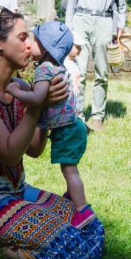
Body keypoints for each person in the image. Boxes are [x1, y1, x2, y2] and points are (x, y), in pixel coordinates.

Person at [0, 7, 104, 259]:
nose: (31, 45)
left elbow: (34, 149)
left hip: (18, 191)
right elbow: (10, 155)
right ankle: (2, 246)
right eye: (22, 38)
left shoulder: (23, 88)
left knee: (89, 225)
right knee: (70, 243)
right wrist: (37, 105)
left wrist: (48, 109)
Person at [6, 21, 96, 229]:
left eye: (34, 40)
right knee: (70, 170)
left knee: (70, 171)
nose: (29, 44)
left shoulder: (44, 69)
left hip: (67, 130)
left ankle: (82, 210)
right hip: (74, 127)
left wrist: (15, 92)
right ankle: (73, 196)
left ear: (46, 47)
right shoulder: (56, 66)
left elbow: (37, 99)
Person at [65, 0, 126, 131]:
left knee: (102, 72)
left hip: (104, 21)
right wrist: (68, 26)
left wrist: (121, 23)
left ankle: (97, 116)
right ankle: (77, 116)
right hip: (80, 19)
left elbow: (120, 0)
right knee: (78, 71)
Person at [64, 31, 87, 116]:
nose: (80, 49)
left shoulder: (74, 62)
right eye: (77, 47)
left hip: (75, 98)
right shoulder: (64, 64)